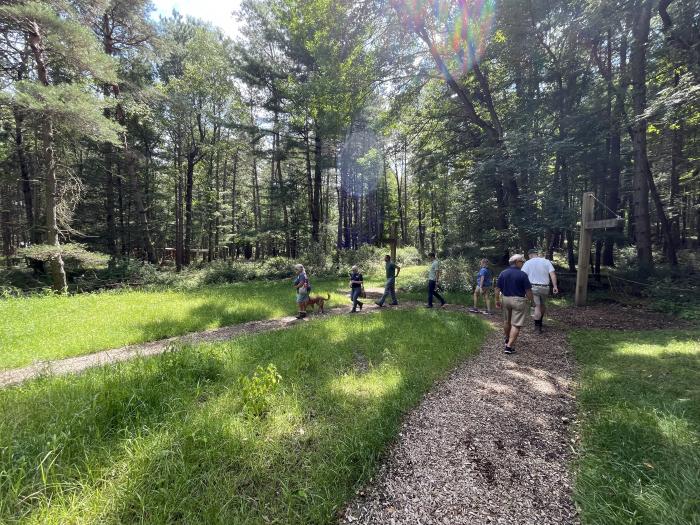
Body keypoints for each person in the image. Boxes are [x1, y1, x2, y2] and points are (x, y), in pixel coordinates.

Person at [495, 254, 533, 354]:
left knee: (507, 321)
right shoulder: (522, 275)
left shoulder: (503, 273)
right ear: (516, 262)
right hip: (519, 301)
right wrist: (531, 301)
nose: (523, 263)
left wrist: (497, 300)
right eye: (522, 261)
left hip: (505, 299)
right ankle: (509, 347)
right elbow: (528, 291)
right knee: (516, 324)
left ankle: (507, 339)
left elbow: (497, 288)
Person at [522, 248, 559, 333]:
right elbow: (552, 275)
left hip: (533, 287)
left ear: (530, 255)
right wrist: (555, 286)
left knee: (537, 307)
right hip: (545, 288)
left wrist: (523, 288)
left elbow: (523, 276)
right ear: (536, 254)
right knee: (542, 305)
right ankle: (540, 322)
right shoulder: (546, 261)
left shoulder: (527, 263)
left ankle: (537, 327)